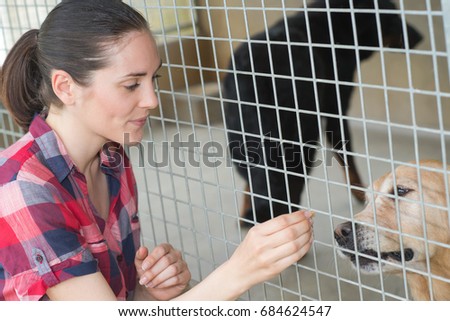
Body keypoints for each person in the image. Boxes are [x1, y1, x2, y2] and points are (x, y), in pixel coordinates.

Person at [0, 0, 313, 301]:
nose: (152, 100)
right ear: (66, 87)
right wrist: (242, 270)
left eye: (154, 78)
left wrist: (149, 294)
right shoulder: (23, 188)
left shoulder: (112, 157)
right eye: (132, 84)